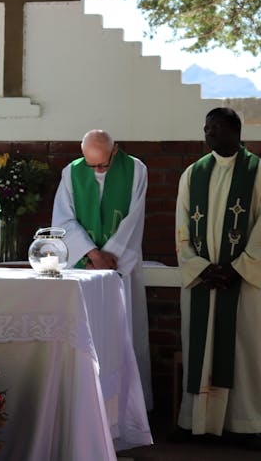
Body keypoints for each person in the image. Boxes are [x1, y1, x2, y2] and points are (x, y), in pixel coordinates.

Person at [174, 107, 261, 450]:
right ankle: (195, 421)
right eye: (206, 128)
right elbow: (180, 230)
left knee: (244, 351)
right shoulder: (193, 174)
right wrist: (200, 267)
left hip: (242, 284)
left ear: (235, 131)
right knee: (198, 349)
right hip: (203, 282)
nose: (207, 134)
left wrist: (239, 269)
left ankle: (249, 424)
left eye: (215, 129)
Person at [51, 129, 153, 409]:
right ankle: (86, 406)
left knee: (122, 336)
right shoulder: (71, 172)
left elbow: (134, 220)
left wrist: (111, 258)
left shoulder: (135, 170)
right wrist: (91, 254)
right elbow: (63, 219)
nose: (96, 170)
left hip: (120, 268)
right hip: (85, 269)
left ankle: (126, 408)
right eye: (90, 164)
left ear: (115, 150)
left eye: (102, 164)